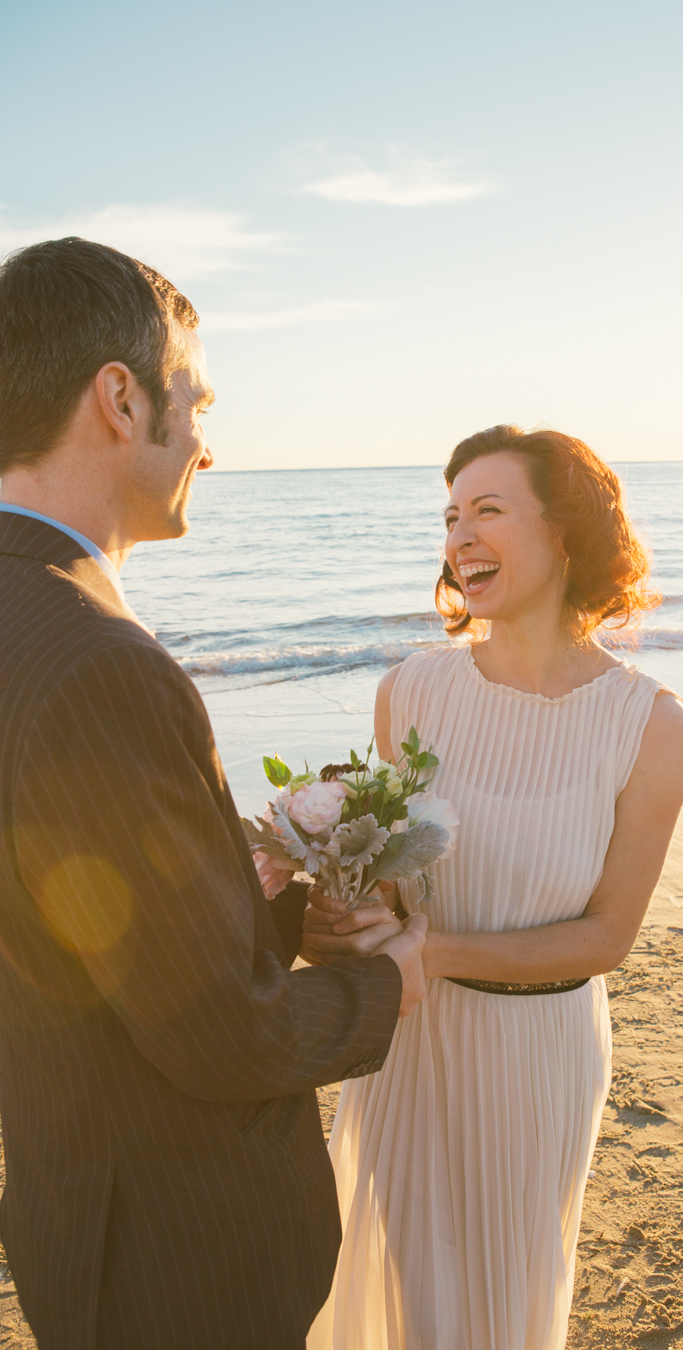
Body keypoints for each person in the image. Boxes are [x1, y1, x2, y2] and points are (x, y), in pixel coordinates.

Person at [0, 237, 426, 1350]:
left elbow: (78, 939)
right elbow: (217, 1038)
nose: (207, 443)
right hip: (172, 1258)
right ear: (121, 399)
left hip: (72, 1212)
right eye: (197, 399)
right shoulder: (98, 659)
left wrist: (268, 904)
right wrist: (394, 982)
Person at [303, 425, 683, 1350]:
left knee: (505, 1298)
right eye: (449, 518)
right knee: (406, 1286)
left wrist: (430, 953)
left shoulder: (649, 724)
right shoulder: (411, 692)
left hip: (539, 1050)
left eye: (487, 511)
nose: (460, 538)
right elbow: (393, 894)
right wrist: (346, 914)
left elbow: (606, 938)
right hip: (410, 1044)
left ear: (565, 533)